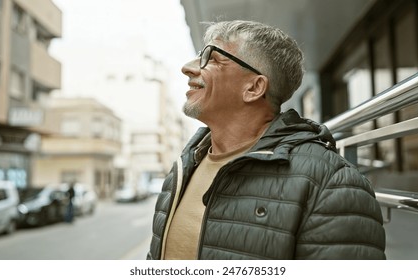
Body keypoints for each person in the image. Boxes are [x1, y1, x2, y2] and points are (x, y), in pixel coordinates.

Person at [147, 20, 386, 260]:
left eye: (212, 58)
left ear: (253, 87)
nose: (187, 68)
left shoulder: (331, 183)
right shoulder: (184, 166)